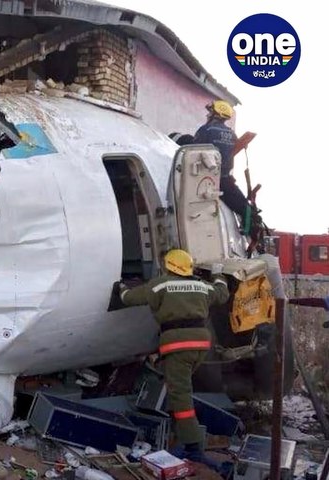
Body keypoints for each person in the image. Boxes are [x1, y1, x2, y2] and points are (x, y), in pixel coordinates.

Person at [119, 249, 228, 467]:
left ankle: (193, 448)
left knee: (181, 396)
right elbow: (222, 293)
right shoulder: (201, 286)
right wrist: (218, 274)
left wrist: (121, 287)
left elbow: (128, 298)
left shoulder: (161, 285)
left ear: (169, 266)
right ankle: (181, 437)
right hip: (200, 345)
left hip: (178, 346)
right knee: (178, 389)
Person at [192, 100, 253, 225]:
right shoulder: (232, 134)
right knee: (245, 208)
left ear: (216, 114)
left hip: (204, 178)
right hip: (225, 180)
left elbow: (193, 151)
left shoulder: (206, 130)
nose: (208, 115)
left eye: (210, 112)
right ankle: (249, 226)